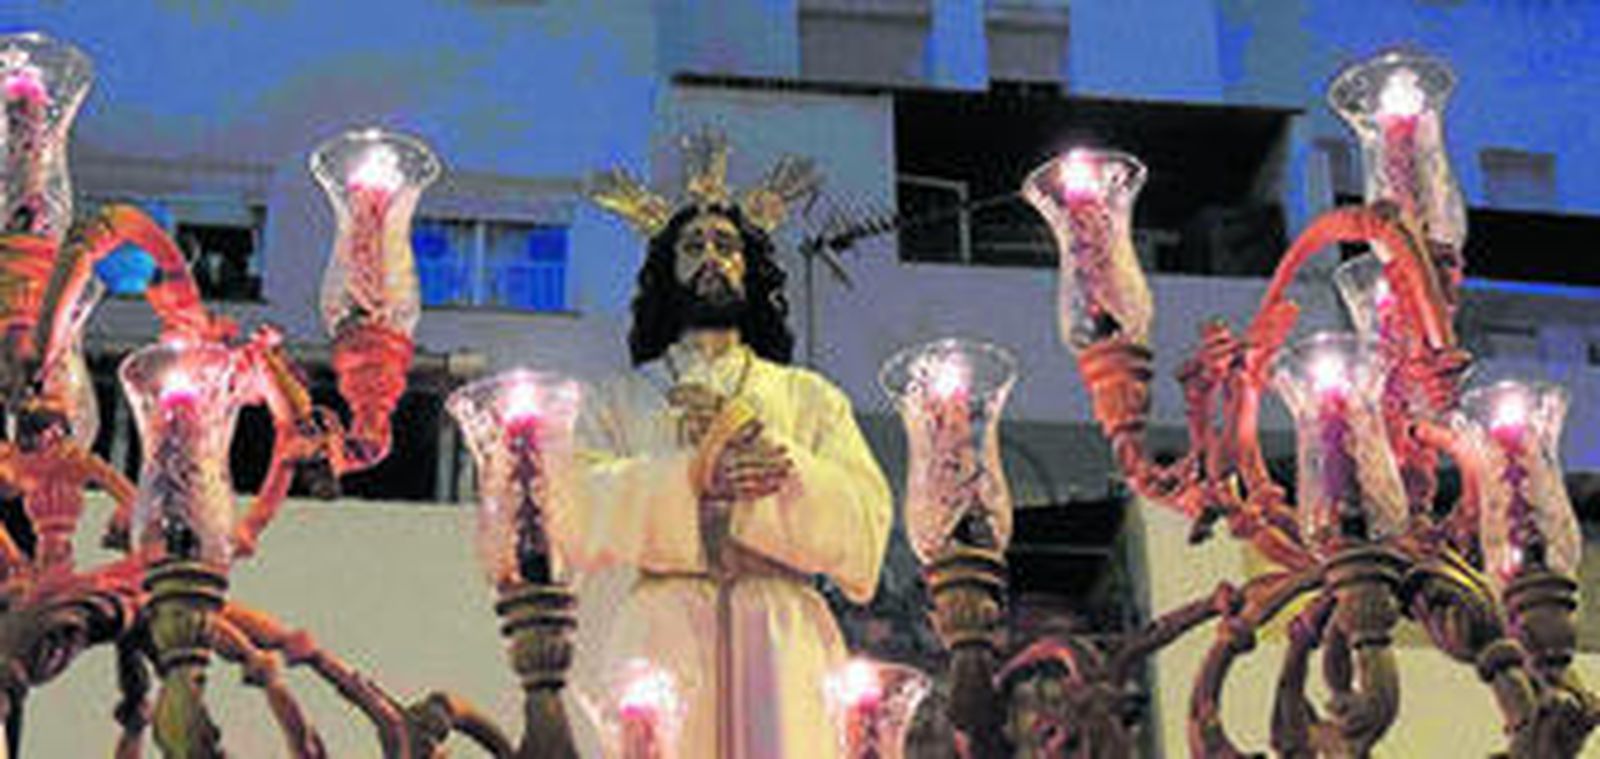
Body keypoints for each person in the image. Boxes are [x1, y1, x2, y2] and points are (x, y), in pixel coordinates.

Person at [556, 133, 892, 758]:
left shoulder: (807, 397)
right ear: (665, 270)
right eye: (692, 246)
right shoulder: (620, 400)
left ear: (752, 266)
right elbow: (571, 510)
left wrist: (760, 457)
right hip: (661, 635)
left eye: (727, 244)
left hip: (784, 638)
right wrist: (695, 478)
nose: (711, 255)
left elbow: (865, 534)